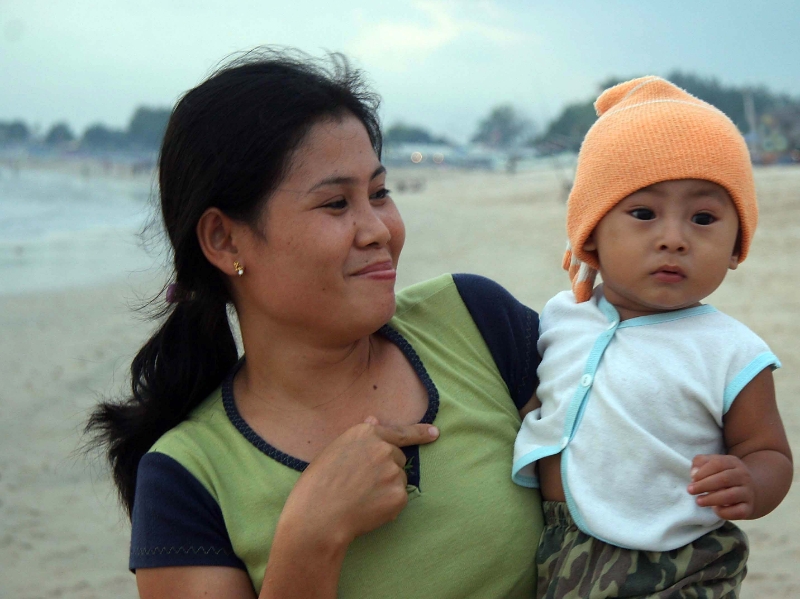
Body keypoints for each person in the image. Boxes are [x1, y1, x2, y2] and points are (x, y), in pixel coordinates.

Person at [86, 48, 544, 598]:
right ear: (224, 239)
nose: (378, 229)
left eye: (378, 193)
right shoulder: (187, 479)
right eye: (335, 204)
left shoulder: (477, 323)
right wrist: (310, 535)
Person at [512, 76, 793, 598]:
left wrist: (752, 483)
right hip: (563, 549)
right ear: (590, 230)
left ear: (737, 245)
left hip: (678, 563)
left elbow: (770, 452)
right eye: (643, 213)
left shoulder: (733, 352)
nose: (673, 238)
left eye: (704, 218)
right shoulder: (560, 318)